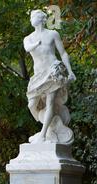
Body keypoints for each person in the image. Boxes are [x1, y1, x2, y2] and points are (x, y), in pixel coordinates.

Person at [24, 9, 76, 144]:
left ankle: (43, 134)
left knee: (50, 102)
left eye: (33, 16)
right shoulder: (29, 38)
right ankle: (49, 127)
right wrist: (36, 44)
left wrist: (70, 71)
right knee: (31, 105)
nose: (31, 19)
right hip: (38, 75)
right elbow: (27, 47)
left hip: (53, 72)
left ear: (41, 18)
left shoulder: (53, 34)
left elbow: (63, 54)